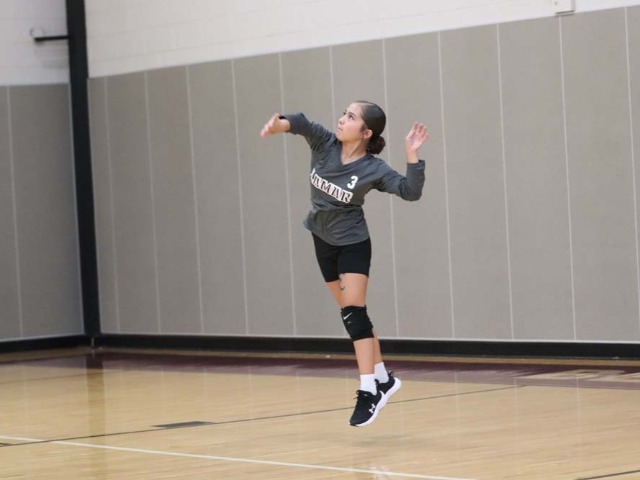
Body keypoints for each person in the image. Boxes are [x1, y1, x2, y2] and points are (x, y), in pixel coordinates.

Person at [260, 101, 429, 427]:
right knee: (353, 315)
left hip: (353, 243)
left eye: (351, 117)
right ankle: (384, 378)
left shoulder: (373, 168)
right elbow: (302, 123)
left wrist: (412, 153)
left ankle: (368, 390)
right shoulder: (324, 143)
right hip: (321, 239)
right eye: (344, 113)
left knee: (353, 312)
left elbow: (410, 191)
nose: (341, 120)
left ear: (366, 133)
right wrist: (281, 124)